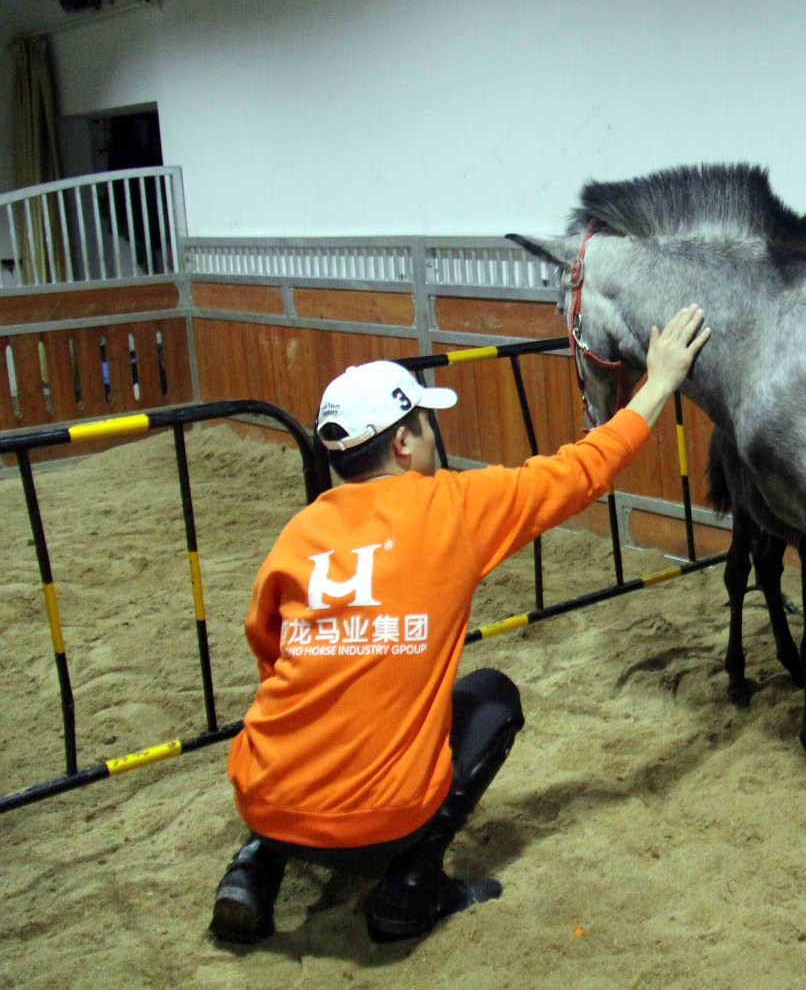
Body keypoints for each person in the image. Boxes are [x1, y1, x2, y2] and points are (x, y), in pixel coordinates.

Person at [210, 307, 711, 945]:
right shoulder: (454, 506)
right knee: (493, 697)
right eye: (426, 424)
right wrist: (660, 383)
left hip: (264, 797)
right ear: (401, 443)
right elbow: (580, 471)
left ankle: (255, 866)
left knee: (305, 704)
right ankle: (409, 889)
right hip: (382, 817)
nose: (431, 437)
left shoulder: (301, 530)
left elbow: (267, 653)